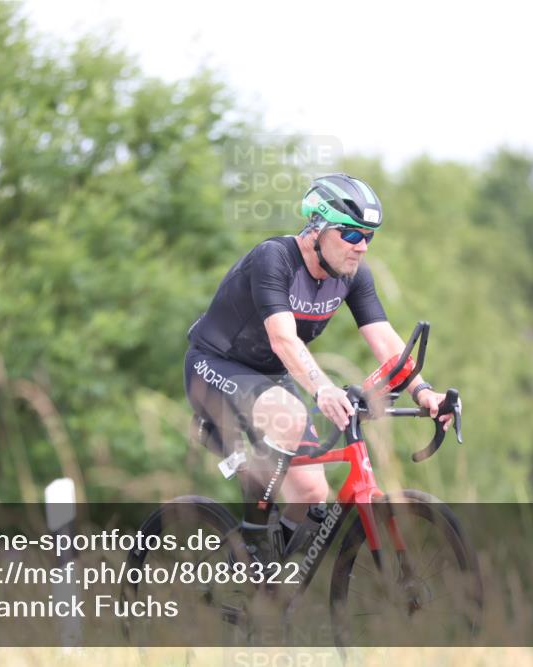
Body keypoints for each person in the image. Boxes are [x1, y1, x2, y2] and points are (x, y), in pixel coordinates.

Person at [184, 173, 453, 562]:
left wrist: (425, 392)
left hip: (274, 378)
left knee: (312, 495)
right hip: (214, 365)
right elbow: (283, 339)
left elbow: (385, 339)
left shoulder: (353, 276)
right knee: (291, 415)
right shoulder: (274, 259)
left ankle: (268, 589)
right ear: (317, 228)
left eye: (369, 236)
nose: (361, 247)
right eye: (350, 234)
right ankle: (255, 533)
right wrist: (323, 388)